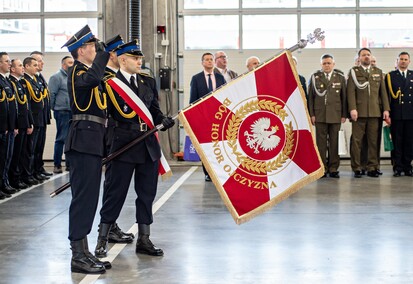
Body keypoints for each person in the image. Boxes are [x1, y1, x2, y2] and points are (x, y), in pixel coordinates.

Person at [94, 40, 175, 258]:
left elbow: (154, 110)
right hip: (122, 142)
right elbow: (105, 114)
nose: (140, 61)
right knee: (115, 192)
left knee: (147, 193)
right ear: (122, 59)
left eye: (140, 58)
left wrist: (163, 120)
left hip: (147, 143)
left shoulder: (147, 81)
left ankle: (144, 239)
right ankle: (102, 238)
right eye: (135, 58)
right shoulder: (109, 82)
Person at [62, 25, 111, 274]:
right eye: (93, 46)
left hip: (93, 141)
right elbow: (93, 79)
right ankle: (77, 255)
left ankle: (85, 250)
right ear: (82, 50)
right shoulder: (76, 71)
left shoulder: (87, 71)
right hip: (82, 141)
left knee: (90, 199)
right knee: (83, 199)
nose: (96, 50)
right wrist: (103, 55)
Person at [100, 34, 135, 245]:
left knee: (116, 186)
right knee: (113, 185)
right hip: (111, 135)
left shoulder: (117, 75)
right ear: (113, 54)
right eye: (118, 51)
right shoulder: (105, 77)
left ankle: (111, 225)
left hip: (119, 135)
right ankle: (107, 227)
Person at [347, 48, 390, 178]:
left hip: (375, 112)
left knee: (374, 141)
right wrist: (352, 109)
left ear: (371, 57)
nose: (366, 57)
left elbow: (383, 93)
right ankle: (357, 167)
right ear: (359, 58)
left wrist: (386, 109)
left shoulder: (378, 72)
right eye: (363, 55)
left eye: (368, 55)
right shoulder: (354, 72)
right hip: (359, 113)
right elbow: (350, 92)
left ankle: (372, 167)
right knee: (357, 141)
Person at [308, 54, 347, 178]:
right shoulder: (315, 77)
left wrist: (344, 114)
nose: (327, 65)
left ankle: (333, 168)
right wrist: (312, 114)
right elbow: (311, 98)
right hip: (320, 115)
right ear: (321, 64)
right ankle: (322, 168)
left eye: (329, 63)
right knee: (321, 143)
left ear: (333, 64)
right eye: (324, 63)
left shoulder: (340, 77)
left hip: (335, 114)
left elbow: (344, 97)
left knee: (335, 142)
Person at [189, 52, 225, 181]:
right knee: (206, 146)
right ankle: (208, 173)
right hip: (203, 118)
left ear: (214, 62)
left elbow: (225, 97)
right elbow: (192, 100)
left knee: (219, 145)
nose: (209, 61)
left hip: (218, 117)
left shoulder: (220, 78)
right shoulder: (196, 78)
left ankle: (219, 172)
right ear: (202, 63)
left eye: (211, 59)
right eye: (207, 60)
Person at [385, 51, 413, 177]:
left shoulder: (412, 75)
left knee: (409, 141)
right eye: (401, 59)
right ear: (397, 61)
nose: (403, 61)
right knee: (396, 141)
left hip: (410, 114)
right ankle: (397, 166)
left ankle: (408, 166)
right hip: (396, 114)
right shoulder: (390, 76)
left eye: (405, 59)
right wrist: (387, 113)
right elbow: (387, 97)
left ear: (409, 61)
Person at [8, 59, 33, 190]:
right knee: (15, 154)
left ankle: (18, 177)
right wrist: (14, 125)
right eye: (19, 65)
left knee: (22, 152)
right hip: (18, 123)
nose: (22, 68)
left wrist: (30, 122)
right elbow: (15, 107)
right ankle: (13, 179)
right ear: (12, 69)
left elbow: (26, 105)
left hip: (24, 123)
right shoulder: (11, 83)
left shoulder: (19, 83)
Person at [21, 57, 46, 185]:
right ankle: (27, 174)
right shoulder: (25, 81)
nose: (37, 67)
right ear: (27, 66)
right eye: (34, 65)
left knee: (36, 148)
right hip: (33, 119)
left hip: (39, 118)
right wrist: (30, 121)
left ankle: (34, 172)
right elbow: (27, 105)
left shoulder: (34, 80)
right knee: (29, 150)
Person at [49, 55, 74, 174]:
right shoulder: (56, 77)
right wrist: (54, 108)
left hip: (72, 112)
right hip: (62, 111)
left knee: (70, 139)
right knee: (61, 138)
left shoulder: (73, 77)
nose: (72, 65)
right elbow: (51, 95)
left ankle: (69, 164)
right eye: (70, 63)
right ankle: (57, 165)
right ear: (63, 65)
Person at [30, 51, 53, 178]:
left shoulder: (39, 77)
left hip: (42, 117)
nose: (42, 63)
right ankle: (32, 171)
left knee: (39, 146)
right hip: (35, 118)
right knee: (32, 148)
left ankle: (38, 168)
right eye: (39, 61)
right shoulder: (29, 79)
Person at [0, 52, 19, 196]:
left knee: (7, 157)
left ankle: (4, 182)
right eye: (6, 61)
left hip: (9, 127)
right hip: (3, 127)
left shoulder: (6, 81)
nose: (9, 64)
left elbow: (12, 107)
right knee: (2, 157)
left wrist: (14, 126)